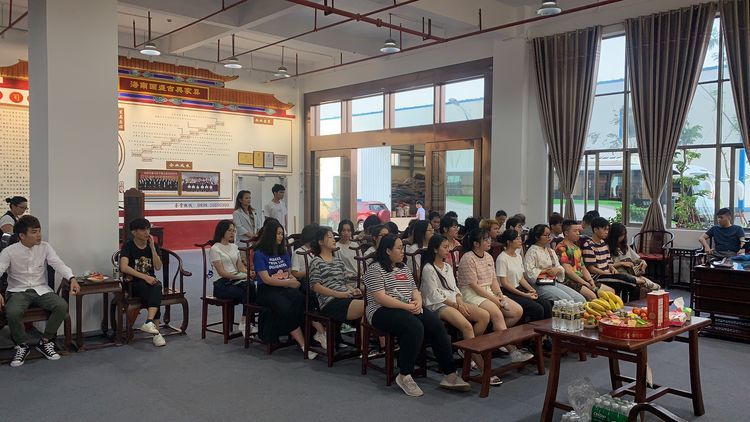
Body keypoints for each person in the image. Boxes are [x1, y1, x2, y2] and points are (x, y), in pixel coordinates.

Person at [364, 234, 471, 396]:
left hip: (408, 306)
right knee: (414, 327)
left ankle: (449, 374)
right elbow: (380, 298)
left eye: (403, 248)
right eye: (399, 248)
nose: (403, 251)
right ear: (387, 250)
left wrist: (418, 302)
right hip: (381, 311)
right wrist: (407, 306)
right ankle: (404, 375)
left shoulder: (403, 267)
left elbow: (414, 289)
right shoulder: (375, 269)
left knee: (436, 325)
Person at [0, 215, 80, 367]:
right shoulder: (9, 252)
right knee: (12, 312)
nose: (39, 235)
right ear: (22, 235)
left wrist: (72, 278)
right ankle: (21, 345)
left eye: (39, 231)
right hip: (18, 290)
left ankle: (45, 341)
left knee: (61, 305)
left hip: (40, 289)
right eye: (34, 232)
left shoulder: (45, 247)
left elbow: (58, 264)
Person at [419, 234, 495, 383]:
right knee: (466, 326)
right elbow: (434, 294)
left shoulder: (447, 266)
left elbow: (454, 288)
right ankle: (483, 368)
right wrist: (456, 305)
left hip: (454, 301)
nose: (448, 250)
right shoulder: (428, 268)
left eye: (448, 247)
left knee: (484, 316)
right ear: (435, 249)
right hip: (438, 304)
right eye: (445, 247)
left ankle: (468, 349)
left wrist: (460, 301)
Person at [456, 228, 532, 364]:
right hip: (471, 294)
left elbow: (493, 280)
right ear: (476, 244)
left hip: (488, 292)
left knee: (517, 311)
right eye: (485, 239)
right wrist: (494, 300)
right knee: (497, 313)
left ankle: (494, 338)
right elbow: (474, 286)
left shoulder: (488, 256)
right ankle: (511, 350)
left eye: (489, 239)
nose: (489, 241)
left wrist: (499, 295)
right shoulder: (468, 258)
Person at [253, 219, 317, 359]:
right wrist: (288, 282)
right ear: (270, 234)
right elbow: (266, 279)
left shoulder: (283, 252)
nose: (281, 237)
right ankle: (303, 345)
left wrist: (292, 281)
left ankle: (310, 335)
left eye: (282, 234)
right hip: (267, 289)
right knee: (285, 307)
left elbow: (288, 273)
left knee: (301, 299)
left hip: (284, 286)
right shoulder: (259, 254)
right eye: (278, 234)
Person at [309, 227, 365, 343]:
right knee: (368, 307)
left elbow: (345, 283)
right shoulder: (316, 261)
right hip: (329, 302)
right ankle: (367, 347)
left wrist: (353, 290)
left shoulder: (338, 261)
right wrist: (337, 294)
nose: (334, 240)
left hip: (345, 297)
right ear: (320, 242)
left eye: (333, 237)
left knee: (371, 305)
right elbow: (315, 286)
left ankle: (364, 346)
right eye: (329, 237)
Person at [119, 217, 166, 347]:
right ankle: (156, 333)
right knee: (155, 292)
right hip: (133, 283)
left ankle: (150, 323)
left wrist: (153, 248)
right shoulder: (128, 246)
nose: (147, 232)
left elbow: (158, 267)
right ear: (134, 232)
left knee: (156, 288)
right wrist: (145, 277)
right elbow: (124, 267)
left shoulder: (152, 245)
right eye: (143, 230)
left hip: (151, 282)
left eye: (148, 229)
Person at [210, 220, 256, 335]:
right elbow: (222, 273)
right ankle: (247, 324)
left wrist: (249, 272)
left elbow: (240, 267)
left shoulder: (234, 247)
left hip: (236, 280)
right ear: (222, 231)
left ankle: (245, 322)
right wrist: (241, 276)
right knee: (248, 292)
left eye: (234, 231)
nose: (232, 233)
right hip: (222, 284)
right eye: (229, 230)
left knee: (251, 287)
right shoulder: (215, 249)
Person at [496, 229, 551, 322]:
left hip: (519, 288)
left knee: (546, 304)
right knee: (537, 308)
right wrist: (524, 294)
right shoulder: (502, 258)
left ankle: (546, 330)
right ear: (509, 242)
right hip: (507, 291)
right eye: (517, 239)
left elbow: (521, 278)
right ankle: (532, 330)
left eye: (520, 238)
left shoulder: (518, 256)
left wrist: (531, 289)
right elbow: (504, 283)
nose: (520, 241)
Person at [524, 224, 586, 303]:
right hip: (539, 284)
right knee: (568, 300)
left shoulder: (550, 251)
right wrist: (545, 271)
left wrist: (557, 270)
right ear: (537, 237)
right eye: (546, 235)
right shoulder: (532, 251)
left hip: (552, 281)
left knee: (579, 299)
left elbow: (559, 267)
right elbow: (528, 272)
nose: (549, 237)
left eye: (549, 235)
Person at [581, 217, 638, 301]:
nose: (607, 232)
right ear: (595, 230)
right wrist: (607, 274)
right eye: (604, 229)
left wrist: (612, 268)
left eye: (607, 229)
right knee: (627, 280)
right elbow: (591, 268)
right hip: (597, 276)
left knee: (632, 285)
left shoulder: (603, 244)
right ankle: (639, 281)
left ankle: (626, 305)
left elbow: (609, 262)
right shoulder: (588, 245)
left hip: (606, 274)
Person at [290, 223, 327, 350]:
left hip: (317, 281)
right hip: (304, 282)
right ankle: (320, 331)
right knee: (312, 296)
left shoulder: (317, 251)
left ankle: (323, 331)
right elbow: (294, 273)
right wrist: (310, 272)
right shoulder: (298, 252)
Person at [555, 220, 604, 301]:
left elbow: (583, 267)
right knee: (592, 296)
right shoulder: (561, 248)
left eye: (578, 231)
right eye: (575, 231)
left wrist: (590, 280)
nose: (578, 233)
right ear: (566, 233)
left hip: (581, 279)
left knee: (610, 291)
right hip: (569, 281)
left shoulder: (576, 248)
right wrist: (584, 282)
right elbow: (569, 272)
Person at [608, 223, 661, 291]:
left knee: (655, 287)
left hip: (631, 273)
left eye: (623, 235)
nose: (622, 237)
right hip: (620, 275)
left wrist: (643, 262)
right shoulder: (607, 247)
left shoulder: (625, 246)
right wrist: (621, 263)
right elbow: (606, 266)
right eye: (620, 235)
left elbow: (636, 259)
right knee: (648, 285)